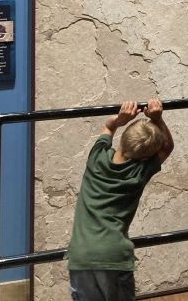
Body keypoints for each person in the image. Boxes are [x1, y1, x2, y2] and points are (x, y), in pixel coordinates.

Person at [66, 99, 174, 301]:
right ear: (144, 158)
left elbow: (108, 125)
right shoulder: (140, 172)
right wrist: (158, 118)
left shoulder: (96, 157)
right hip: (115, 255)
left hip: (81, 255)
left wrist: (120, 120)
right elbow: (167, 147)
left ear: (123, 139)